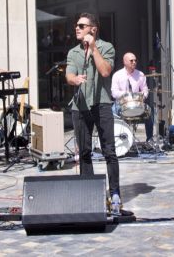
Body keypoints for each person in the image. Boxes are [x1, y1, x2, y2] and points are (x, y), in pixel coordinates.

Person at [65, 13, 121, 215]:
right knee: (84, 152)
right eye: (76, 25)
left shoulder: (106, 47)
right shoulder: (74, 52)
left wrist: (94, 48)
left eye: (82, 25)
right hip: (80, 106)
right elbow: (69, 74)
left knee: (109, 151)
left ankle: (115, 194)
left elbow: (105, 71)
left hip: (101, 104)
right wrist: (74, 79)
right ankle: (89, 193)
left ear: (93, 29)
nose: (77, 28)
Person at [111, 52, 151, 140]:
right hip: (121, 104)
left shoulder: (140, 74)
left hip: (136, 103)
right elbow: (114, 93)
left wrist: (143, 96)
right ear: (124, 62)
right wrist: (126, 94)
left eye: (135, 60)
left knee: (149, 112)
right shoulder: (117, 75)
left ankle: (149, 139)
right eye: (131, 60)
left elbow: (145, 89)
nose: (134, 62)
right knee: (111, 112)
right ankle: (115, 140)